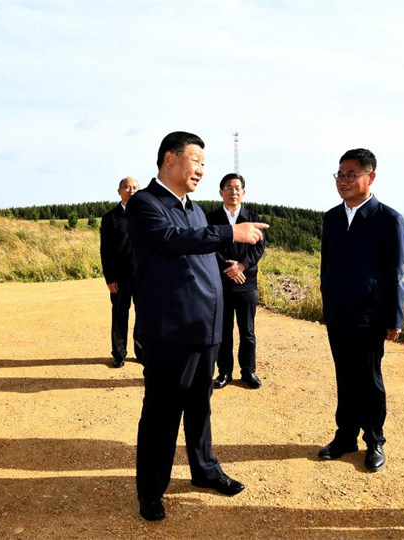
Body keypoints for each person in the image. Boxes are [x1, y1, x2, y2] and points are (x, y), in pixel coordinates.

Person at [126, 131, 268, 522]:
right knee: (162, 412)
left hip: (204, 327)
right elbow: (171, 241)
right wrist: (229, 232)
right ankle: (151, 490)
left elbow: (195, 246)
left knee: (200, 406)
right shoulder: (144, 204)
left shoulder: (192, 208)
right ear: (170, 159)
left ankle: (204, 469)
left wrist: (223, 266)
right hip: (170, 330)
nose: (201, 170)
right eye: (196, 160)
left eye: (205, 163)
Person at [317, 148, 404, 473]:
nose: (344, 181)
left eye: (351, 174)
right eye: (340, 175)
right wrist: (327, 303)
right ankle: (345, 437)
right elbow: (326, 265)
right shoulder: (332, 218)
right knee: (345, 377)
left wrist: (394, 317)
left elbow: (397, 271)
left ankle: (375, 440)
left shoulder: (388, 220)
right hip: (338, 314)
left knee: (369, 380)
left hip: (370, 316)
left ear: (371, 176)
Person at [206, 173, 265, 390]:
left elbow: (258, 247)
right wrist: (228, 268)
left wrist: (241, 266)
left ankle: (248, 372)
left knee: (247, 331)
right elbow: (208, 246)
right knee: (224, 331)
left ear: (244, 192)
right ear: (221, 192)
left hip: (246, 283)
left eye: (238, 188)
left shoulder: (252, 217)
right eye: (229, 188)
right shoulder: (210, 219)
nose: (234, 192)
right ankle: (224, 372)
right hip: (221, 283)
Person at [100, 177, 142, 368]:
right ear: (119, 191)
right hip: (119, 277)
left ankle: (142, 352)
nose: (130, 190)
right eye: (126, 187)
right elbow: (105, 250)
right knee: (119, 316)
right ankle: (119, 353)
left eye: (134, 187)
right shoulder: (110, 217)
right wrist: (110, 278)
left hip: (143, 276)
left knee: (144, 315)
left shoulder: (145, 215)